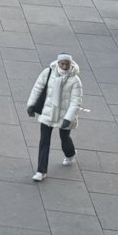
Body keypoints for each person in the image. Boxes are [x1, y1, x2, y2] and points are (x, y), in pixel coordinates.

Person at [27, 53, 84, 181]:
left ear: (70, 64)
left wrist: (68, 118)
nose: (64, 66)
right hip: (48, 112)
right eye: (62, 63)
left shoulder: (75, 80)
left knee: (64, 138)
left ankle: (70, 153)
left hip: (64, 115)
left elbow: (76, 101)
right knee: (44, 141)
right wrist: (31, 105)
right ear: (58, 63)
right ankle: (41, 171)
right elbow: (37, 88)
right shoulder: (48, 72)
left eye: (67, 64)